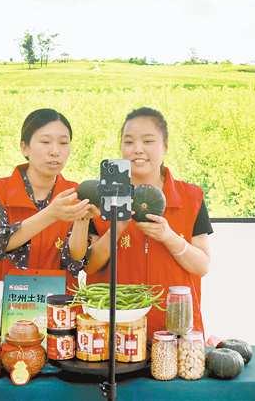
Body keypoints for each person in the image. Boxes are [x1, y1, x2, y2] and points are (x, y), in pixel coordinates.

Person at [68, 107, 213, 339]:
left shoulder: (191, 197)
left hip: (175, 331)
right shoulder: (100, 196)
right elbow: (89, 266)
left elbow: (202, 266)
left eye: (148, 141)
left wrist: (169, 237)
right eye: (129, 142)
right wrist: (118, 226)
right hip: (116, 331)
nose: (137, 149)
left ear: (165, 146)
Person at [0, 108, 92, 286]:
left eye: (63, 143)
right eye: (46, 142)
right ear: (25, 147)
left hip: (57, 301)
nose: (55, 151)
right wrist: (51, 214)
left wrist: (82, 221)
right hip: (4, 300)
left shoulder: (75, 193)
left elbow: (74, 261)